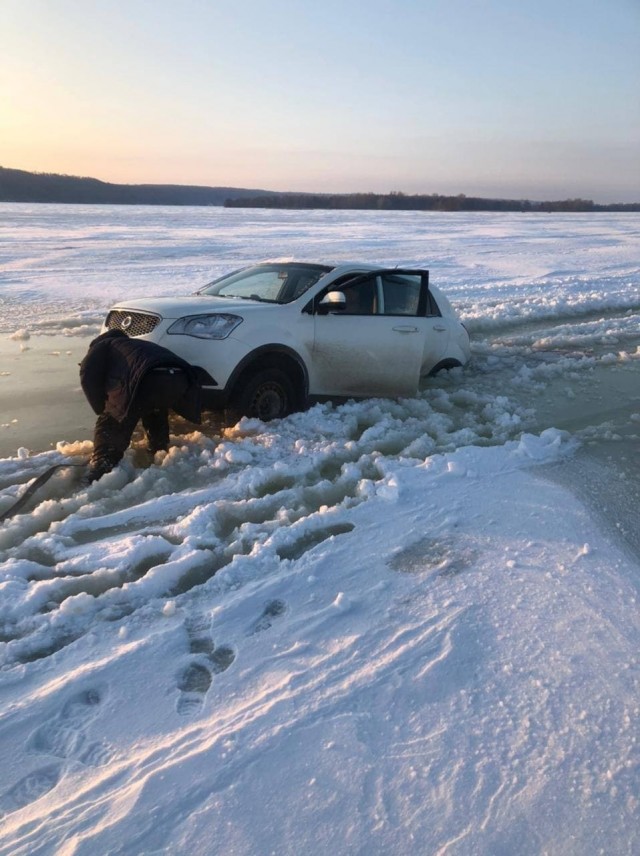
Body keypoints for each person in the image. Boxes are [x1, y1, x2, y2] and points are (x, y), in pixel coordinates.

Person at [80, 329, 202, 483]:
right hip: (179, 378)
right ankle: (159, 451)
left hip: (148, 378)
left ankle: (102, 466)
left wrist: (101, 409)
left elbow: (87, 376)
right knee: (155, 410)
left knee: (110, 422)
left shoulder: (101, 346)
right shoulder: (137, 345)